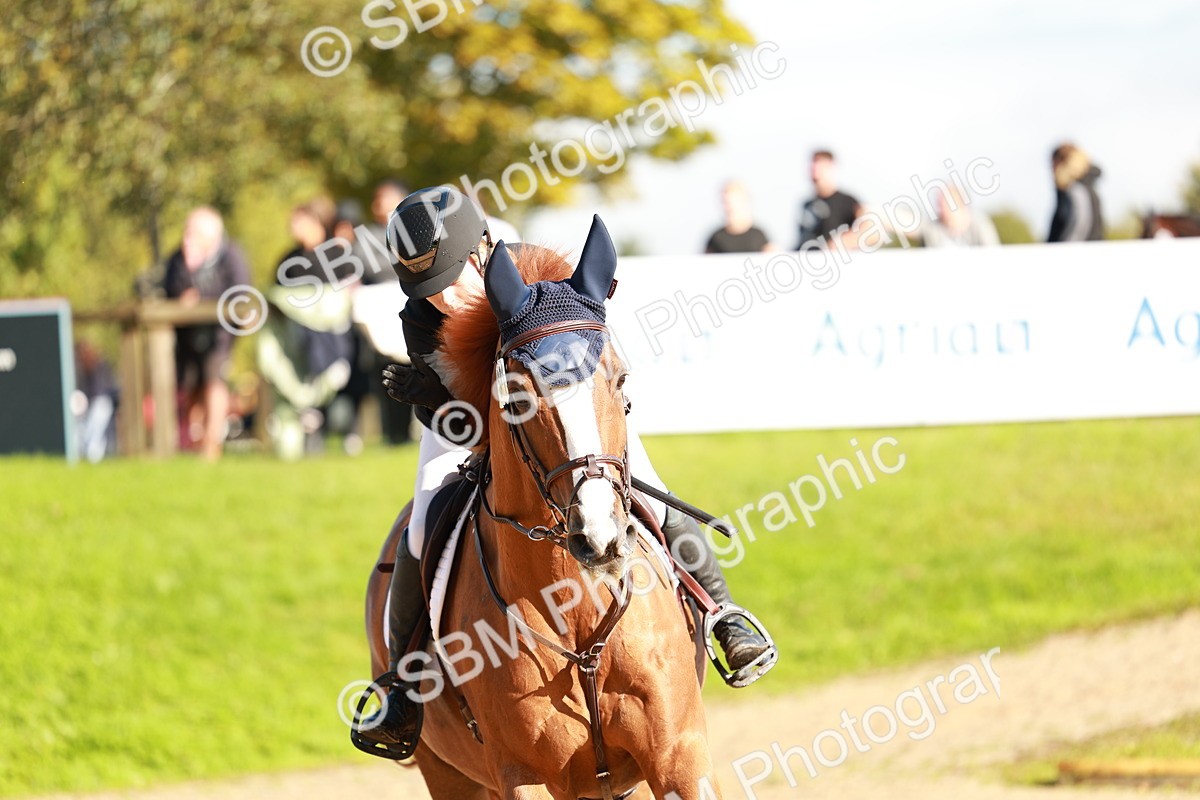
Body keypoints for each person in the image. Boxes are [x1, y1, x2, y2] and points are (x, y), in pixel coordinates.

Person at [356, 186, 776, 757]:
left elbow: (581, 371)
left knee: (658, 495)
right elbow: (474, 435)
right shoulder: (418, 316)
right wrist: (438, 400)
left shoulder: (534, 276)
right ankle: (403, 684)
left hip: (576, 422)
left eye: (454, 278)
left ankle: (725, 615)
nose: (445, 299)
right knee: (423, 522)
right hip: (470, 437)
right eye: (431, 289)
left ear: (482, 250)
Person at [162, 207, 250, 461]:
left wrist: (205, 300)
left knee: (214, 383)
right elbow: (169, 290)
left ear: (212, 234)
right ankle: (192, 441)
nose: (188, 236)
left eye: (194, 231)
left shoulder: (230, 255)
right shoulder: (179, 259)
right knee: (189, 386)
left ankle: (212, 443)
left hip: (219, 335)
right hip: (187, 336)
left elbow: (241, 293)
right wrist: (189, 270)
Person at [796, 150, 862, 250]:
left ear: (831, 167)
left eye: (820, 165)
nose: (814, 170)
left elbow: (867, 229)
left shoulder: (847, 201)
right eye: (813, 165)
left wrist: (844, 242)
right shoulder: (807, 204)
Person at [1047, 143, 1103, 242]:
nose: (1051, 169)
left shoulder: (1075, 190)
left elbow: (1079, 225)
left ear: (1061, 163)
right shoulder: (1085, 186)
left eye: (1053, 163)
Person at [918, 185, 1000, 248]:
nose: (939, 210)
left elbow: (993, 253)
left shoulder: (980, 224)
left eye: (942, 206)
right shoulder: (934, 227)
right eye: (938, 205)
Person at [705, 181, 772, 253]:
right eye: (725, 202)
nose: (728, 207)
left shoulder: (758, 236)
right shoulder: (716, 238)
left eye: (732, 202)